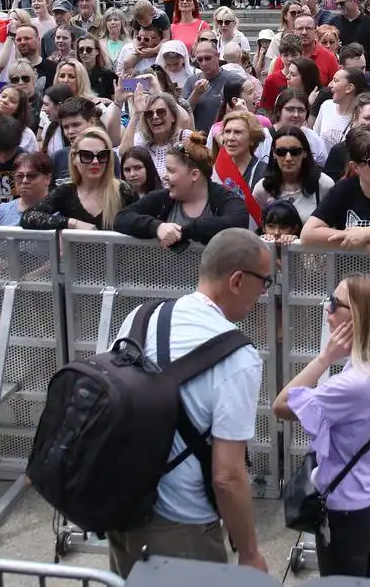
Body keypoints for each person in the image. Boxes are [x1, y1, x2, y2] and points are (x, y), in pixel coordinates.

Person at [105, 229, 272, 576]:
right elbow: (227, 476)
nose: (264, 294)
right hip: (183, 529)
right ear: (237, 281)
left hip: (122, 508)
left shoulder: (141, 316)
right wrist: (249, 552)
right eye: (264, 282)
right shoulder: (239, 356)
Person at [273, 274, 370, 578]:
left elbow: (281, 405)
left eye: (335, 303)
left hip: (348, 513)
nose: (327, 308)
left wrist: (323, 359)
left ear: (358, 318)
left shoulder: (352, 384)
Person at [115, 132, 251, 244]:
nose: (165, 176)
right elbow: (122, 218)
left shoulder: (225, 198)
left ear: (194, 175)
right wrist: (157, 227)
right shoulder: (162, 198)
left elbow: (238, 222)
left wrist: (184, 232)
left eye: (171, 171)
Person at [21, 127, 135, 231]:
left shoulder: (123, 190)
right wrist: (72, 223)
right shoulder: (66, 192)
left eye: (102, 155)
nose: (95, 161)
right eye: (86, 155)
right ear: (74, 158)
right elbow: (28, 216)